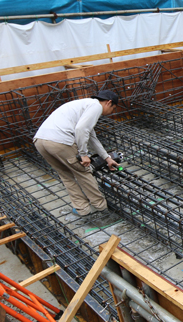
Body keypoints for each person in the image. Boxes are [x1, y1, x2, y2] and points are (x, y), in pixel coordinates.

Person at [33, 90, 121, 225]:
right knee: (83, 172)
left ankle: (83, 210)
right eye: (113, 108)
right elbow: (81, 130)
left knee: (66, 175)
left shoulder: (83, 106)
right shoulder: (96, 106)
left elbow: (91, 136)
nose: (112, 112)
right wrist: (83, 154)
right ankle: (102, 210)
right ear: (108, 102)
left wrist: (107, 158)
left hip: (40, 141)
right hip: (60, 141)